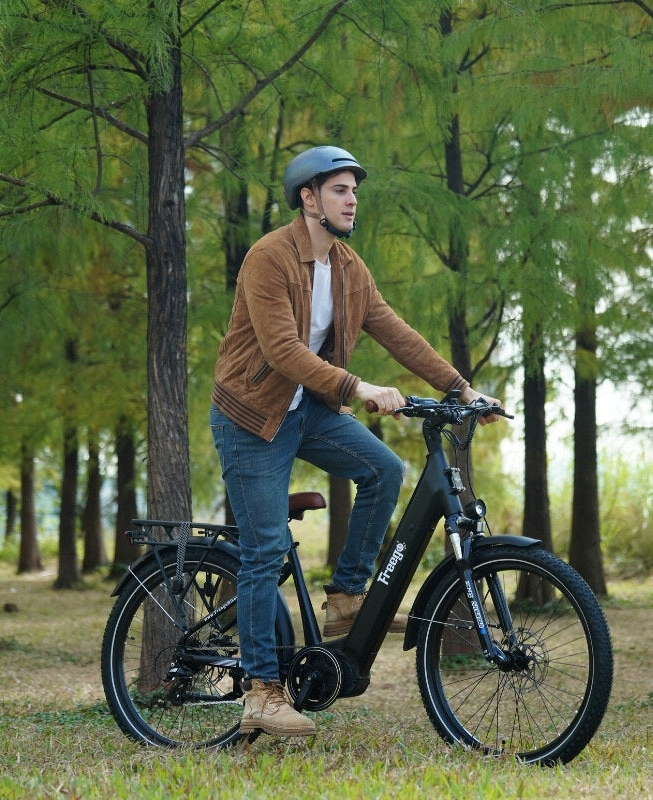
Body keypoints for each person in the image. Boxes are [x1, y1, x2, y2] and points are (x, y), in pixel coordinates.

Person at [209, 145, 501, 738]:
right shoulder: (269, 257)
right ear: (308, 198)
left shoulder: (348, 268)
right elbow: (281, 350)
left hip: (307, 412)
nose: (351, 201)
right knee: (264, 550)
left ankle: (345, 597)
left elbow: (397, 332)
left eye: (354, 192)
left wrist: (461, 389)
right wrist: (357, 386)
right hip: (250, 418)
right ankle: (261, 693)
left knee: (384, 470)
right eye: (340, 190)